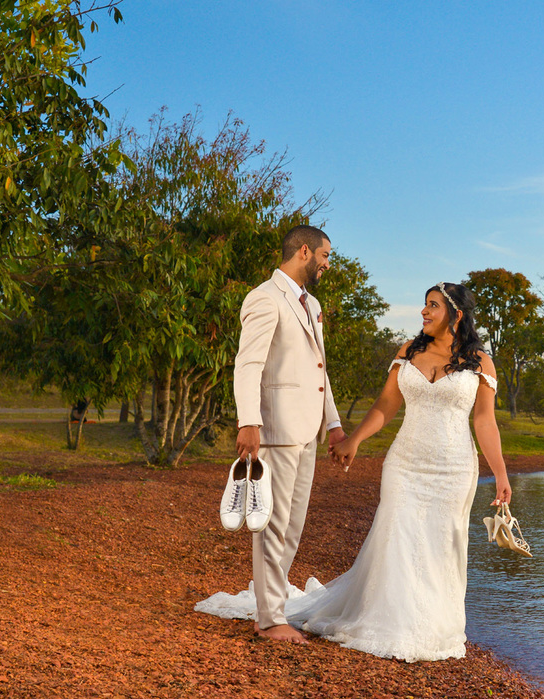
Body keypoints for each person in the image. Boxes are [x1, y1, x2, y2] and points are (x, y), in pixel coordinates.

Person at [200, 282, 512, 663]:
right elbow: (385, 405)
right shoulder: (409, 352)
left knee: (441, 544)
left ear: (456, 314)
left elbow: (485, 422)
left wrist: (500, 474)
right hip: (405, 463)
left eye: (432, 306)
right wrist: (353, 441)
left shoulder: (481, 362)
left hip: (454, 468)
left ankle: (434, 625)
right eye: (424, 304)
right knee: (397, 536)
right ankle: (390, 623)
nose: (424, 312)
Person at [197, 225, 345, 645]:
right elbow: (248, 365)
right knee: (272, 526)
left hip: (307, 432)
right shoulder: (263, 297)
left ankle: (272, 608)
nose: (327, 265)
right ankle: (268, 619)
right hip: (276, 429)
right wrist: (249, 422)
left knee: (292, 527)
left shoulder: (311, 304)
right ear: (304, 251)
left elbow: (320, 372)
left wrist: (333, 426)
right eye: (325, 256)